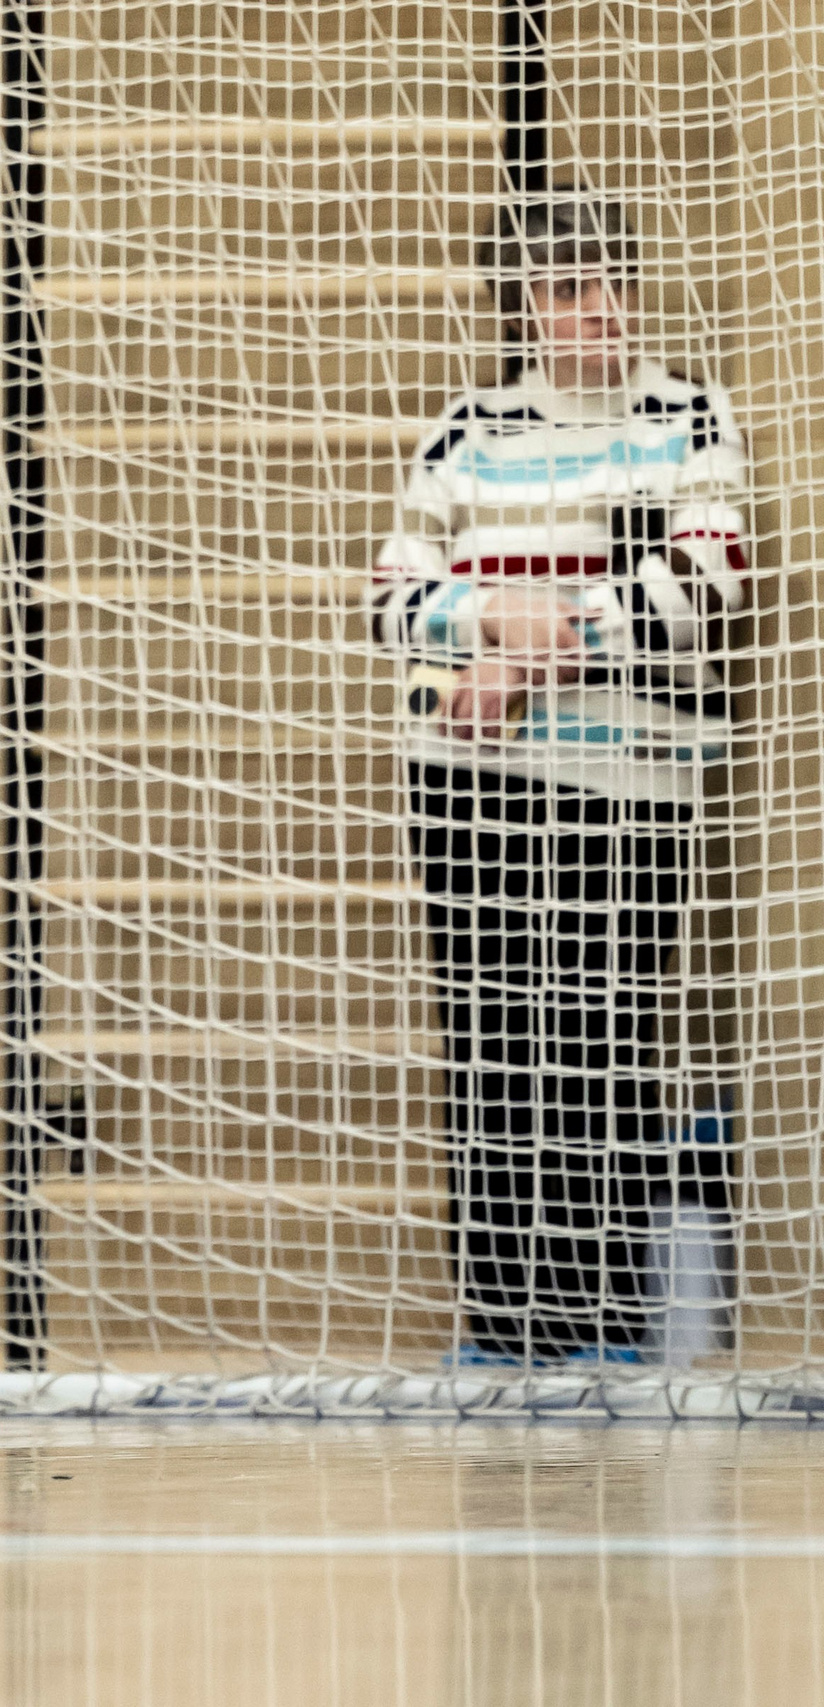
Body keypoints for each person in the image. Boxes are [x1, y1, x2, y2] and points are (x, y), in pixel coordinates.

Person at [369, 193, 749, 1363]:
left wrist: (537, 647)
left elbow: (704, 583)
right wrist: (488, 624)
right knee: (492, 1046)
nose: (598, 308)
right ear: (526, 306)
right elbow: (391, 599)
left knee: (607, 1039)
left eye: (612, 283)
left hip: (631, 784)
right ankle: (499, 1327)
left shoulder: (687, 413)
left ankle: (609, 1325)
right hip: (469, 778)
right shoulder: (464, 430)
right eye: (569, 288)